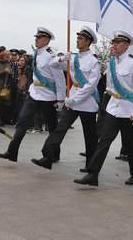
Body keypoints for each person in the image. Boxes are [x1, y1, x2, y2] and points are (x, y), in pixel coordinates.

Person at [74, 31, 133, 186]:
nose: (114, 45)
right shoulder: (112, 63)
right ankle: (93, 174)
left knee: (132, 144)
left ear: (126, 45)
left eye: (118, 42)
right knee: (104, 141)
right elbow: (110, 87)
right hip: (113, 109)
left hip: (129, 112)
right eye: (114, 42)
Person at [32, 26, 101, 172]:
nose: (78, 40)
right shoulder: (74, 57)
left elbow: (90, 86)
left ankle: (91, 165)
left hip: (87, 102)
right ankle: (48, 157)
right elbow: (52, 64)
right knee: (59, 129)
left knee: (89, 136)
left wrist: (74, 100)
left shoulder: (93, 61)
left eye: (81, 38)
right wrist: (63, 58)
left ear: (88, 42)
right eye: (77, 38)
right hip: (73, 99)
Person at [0, 27, 66, 162]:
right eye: (36, 37)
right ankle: (12, 152)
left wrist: (61, 99)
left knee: (52, 127)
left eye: (39, 38)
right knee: (22, 122)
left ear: (46, 40)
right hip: (34, 94)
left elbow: (60, 79)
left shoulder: (51, 56)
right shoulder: (36, 54)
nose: (36, 39)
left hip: (48, 96)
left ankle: (53, 155)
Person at [0, 50, 13, 126]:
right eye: (6, 55)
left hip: (6, 86)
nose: (8, 56)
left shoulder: (8, 63)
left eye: (9, 55)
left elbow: (9, 74)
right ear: (2, 55)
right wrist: (4, 70)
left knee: (3, 104)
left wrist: (10, 73)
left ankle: (1, 119)